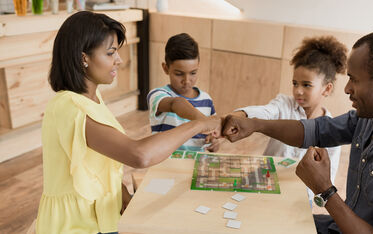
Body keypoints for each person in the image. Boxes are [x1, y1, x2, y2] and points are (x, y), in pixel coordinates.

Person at [36, 11, 220, 234]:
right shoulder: (69, 107)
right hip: (75, 225)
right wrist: (200, 124)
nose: (119, 60)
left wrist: (123, 194)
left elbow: (97, 163)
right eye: (111, 53)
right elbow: (139, 155)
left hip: (101, 215)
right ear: (83, 57)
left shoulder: (92, 99)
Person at [222, 28, 373, 233]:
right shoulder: (369, 117)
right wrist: (255, 125)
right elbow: (316, 130)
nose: (347, 89)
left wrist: (325, 190)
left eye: (355, 80)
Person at [231, 36, 347, 198]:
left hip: (298, 198)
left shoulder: (332, 129)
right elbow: (266, 111)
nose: (298, 90)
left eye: (306, 85)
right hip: (264, 185)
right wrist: (239, 116)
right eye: (295, 83)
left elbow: (328, 177)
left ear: (326, 89)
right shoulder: (283, 104)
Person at [147, 33, 220, 152]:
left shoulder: (207, 100)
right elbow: (176, 104)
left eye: (193, 73)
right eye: (179, 74)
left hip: (196, 164)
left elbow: (211, 133)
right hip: (166, 165)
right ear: (166, 68)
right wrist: (203, 120)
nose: (186, 81)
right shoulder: (158, 95)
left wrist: (213, 142)